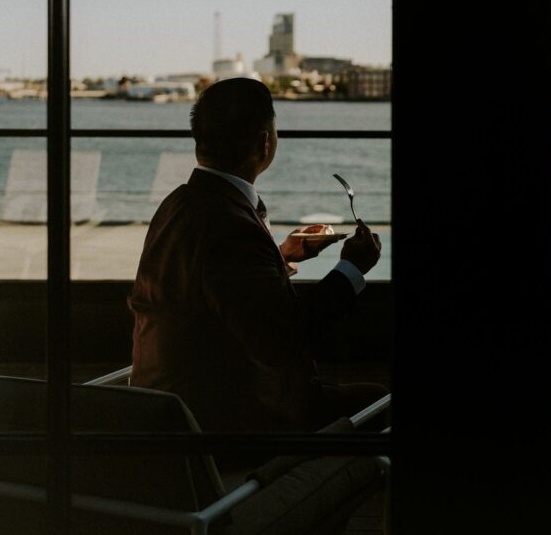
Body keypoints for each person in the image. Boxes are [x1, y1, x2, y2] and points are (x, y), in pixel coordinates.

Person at [128, 77, 385, 434]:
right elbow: (282, 339)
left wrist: (280, 256)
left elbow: (216, 287)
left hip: (166, 407)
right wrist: (352, 268)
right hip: (230, 421)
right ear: (265, 143)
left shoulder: (178, 204)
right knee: (382, 403)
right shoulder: (232, 226)